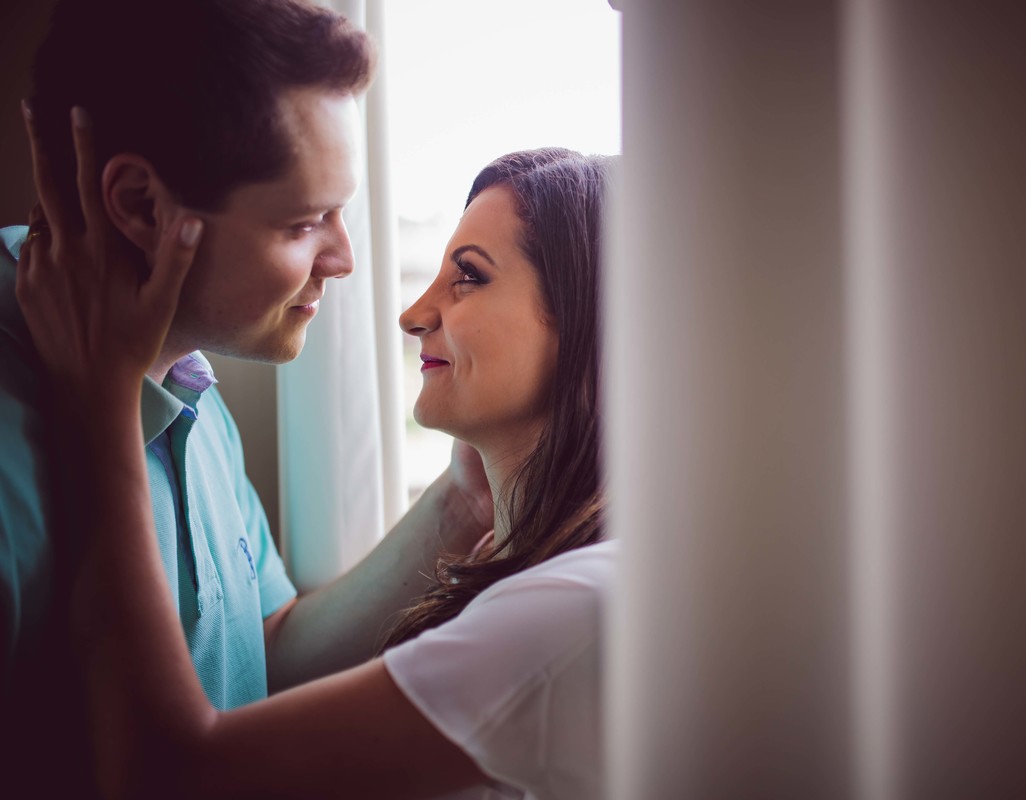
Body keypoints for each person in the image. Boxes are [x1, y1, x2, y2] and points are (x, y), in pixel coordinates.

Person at [19, 128, 615, 799]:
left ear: (595, 325)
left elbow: (172, 773)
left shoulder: (569, 610)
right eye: (304, 220)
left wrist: (102, 410)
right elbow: (253, 659)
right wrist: (462, 502)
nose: (413, 315)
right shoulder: (198, 402)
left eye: (469, 277)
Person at [0, 0, 494, 794]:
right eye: (305, 222)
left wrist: (460, 508)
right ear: (138, 206)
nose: (342, 260)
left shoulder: (179, 359)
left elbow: (256, 657)